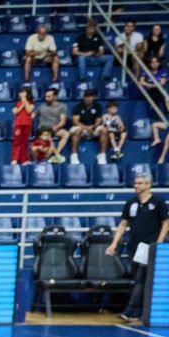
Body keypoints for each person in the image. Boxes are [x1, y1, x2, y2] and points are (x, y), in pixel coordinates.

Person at [108, 174, 168, 323]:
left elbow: (166, 223)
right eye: (135, 183)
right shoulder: (131, 203)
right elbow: (123, 224)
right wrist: (114, 243)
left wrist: (158, 244)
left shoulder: (158, 202)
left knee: (141, 279)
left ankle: (129, 311)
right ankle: (138, 312)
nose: (136, 186)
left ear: (148, 185)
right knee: (138, 279)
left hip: (150, 247)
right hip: (134, 247)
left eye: (140, 183)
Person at [69, 88, 108, 166]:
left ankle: (102, 155)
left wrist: (92, 127)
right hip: (81, 127)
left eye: (90, 96)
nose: (88, 98)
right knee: (77, 130)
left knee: (104, 130)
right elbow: (75, 121)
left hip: (93, 128)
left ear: (93, 97)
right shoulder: (78, 106)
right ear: (84, 97)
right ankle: (74, 155)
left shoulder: (97, 106)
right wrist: (86, 128)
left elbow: (98, 121)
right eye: (86, 97)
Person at [34, 87, 69, 163]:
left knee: (66, 134)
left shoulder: (62, 106)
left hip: (54, 129)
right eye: (46, 96)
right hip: (42, 129)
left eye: (49, 97)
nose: (46, 98)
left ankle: (56, 155)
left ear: (55, 97)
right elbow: (33, 116)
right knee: (47, 135)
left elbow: (62, 122)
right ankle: (56, 156)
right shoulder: (42, 106)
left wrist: (56, 127)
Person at [11, 86, 34, 165]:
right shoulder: (17, 103)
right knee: (16, 142)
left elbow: (29, 110)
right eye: (20, 92)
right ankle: (15, 159)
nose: (21, 94)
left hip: (27, 124)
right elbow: (15, 112)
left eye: (23, 92)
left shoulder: (31, 102)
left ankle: (24, 160)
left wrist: (25, 102)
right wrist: (22, 105)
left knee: (25, 142)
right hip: (18, 124)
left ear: (27, 93)